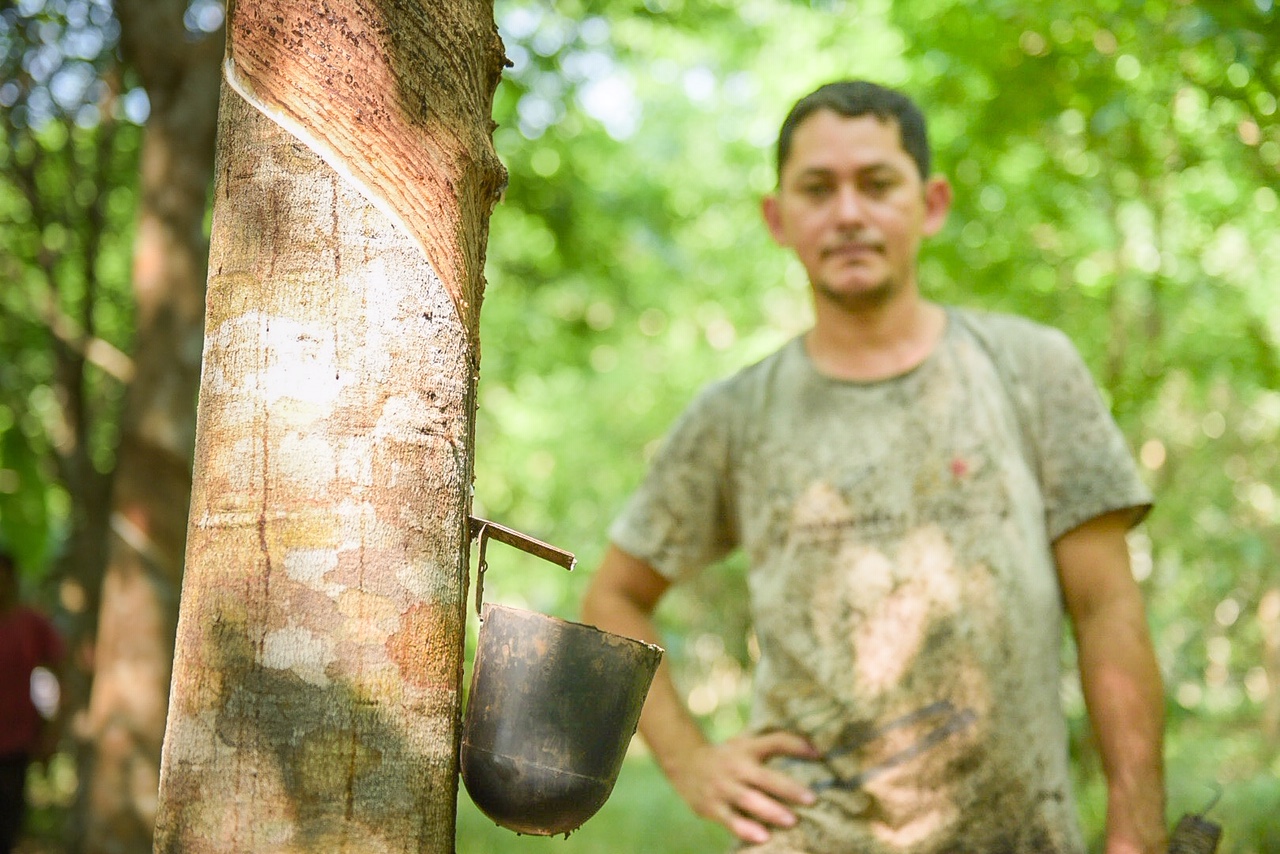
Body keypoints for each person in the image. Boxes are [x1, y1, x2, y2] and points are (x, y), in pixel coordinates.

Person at [582, 80, 1166, 853]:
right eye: (818, 189)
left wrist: (1137, 826)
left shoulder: (1030, 369)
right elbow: (613, 596)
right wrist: (692, 762)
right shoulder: (736, 414)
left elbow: (1107, 612)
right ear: (777, 217)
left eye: (877, 184)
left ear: (929, 203)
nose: (849, 213)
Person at [0, 548, 65, 854]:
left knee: (9, 822)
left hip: (15, 745)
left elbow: (61, 671)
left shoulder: (30, 624)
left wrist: (52, 730)